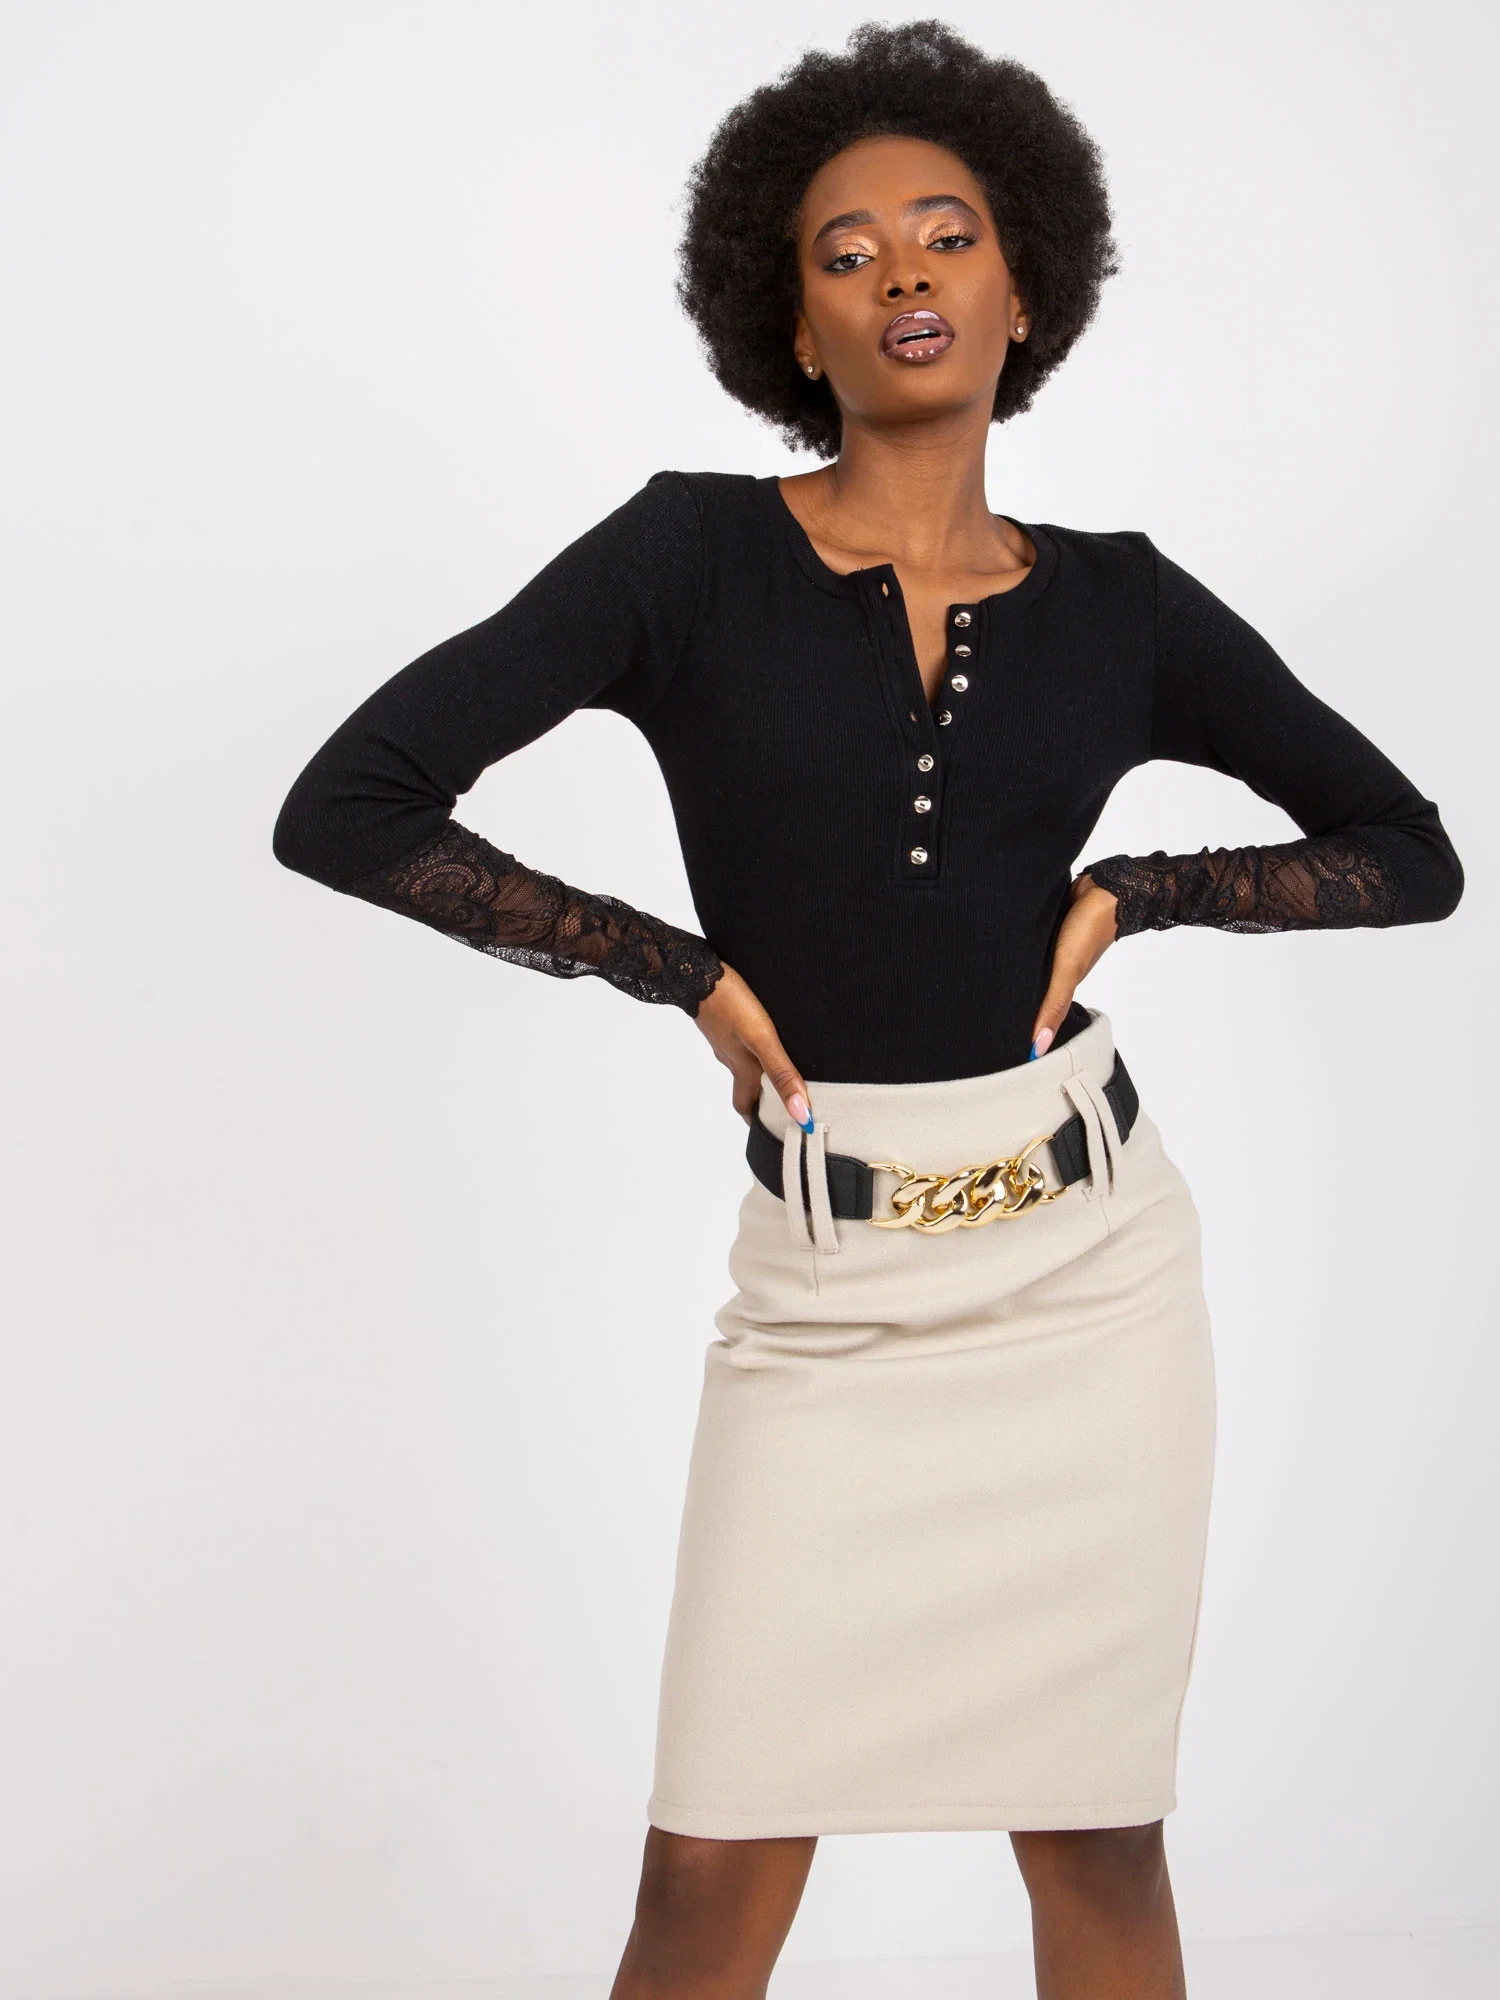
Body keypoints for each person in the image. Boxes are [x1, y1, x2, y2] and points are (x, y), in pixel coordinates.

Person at [271, 21, 1464, 1999]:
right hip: (825, 1301)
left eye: (948, 233)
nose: (905, 270)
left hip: (1090, 1291)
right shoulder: (686, 558)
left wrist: (1145, 889)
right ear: (795, 325)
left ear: (1024, 292)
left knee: (1097, 1850)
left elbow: (1407, 852)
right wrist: (669, 964)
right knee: (706, 1876)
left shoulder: (1124, 605)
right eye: (849, 251)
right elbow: (351, 806)